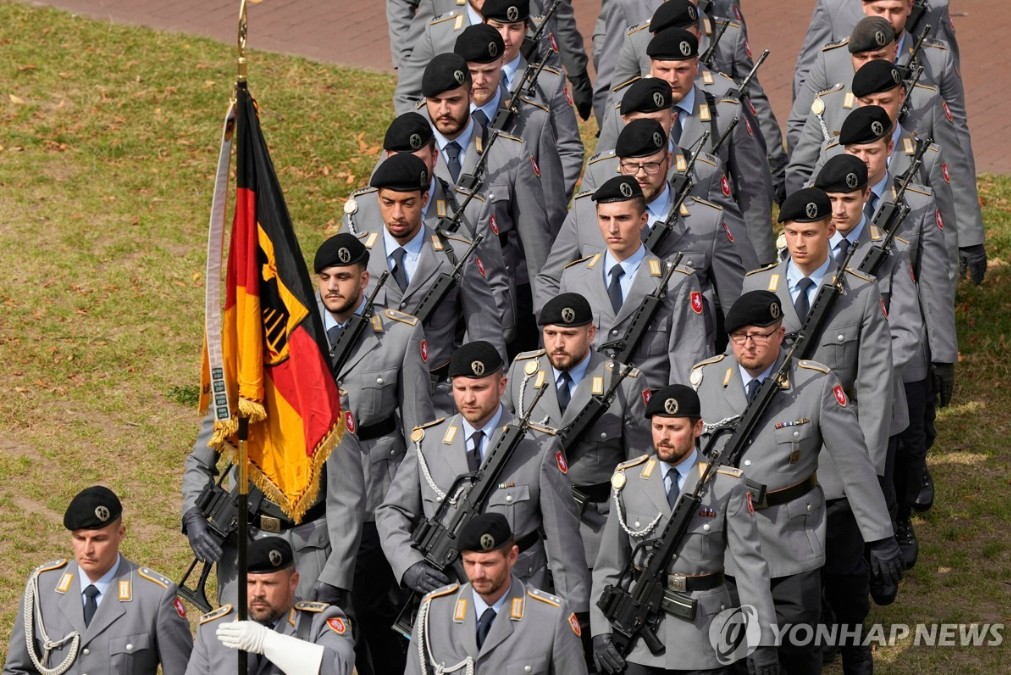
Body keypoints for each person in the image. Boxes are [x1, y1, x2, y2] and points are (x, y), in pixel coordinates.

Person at [691, 291, 902, 674]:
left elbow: (853, 463)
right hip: (727, 545)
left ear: (780, 333)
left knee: (798, 649)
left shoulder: (813, 385)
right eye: (740, 336)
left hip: (790, 538)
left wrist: (880, 536)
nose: (749, 344)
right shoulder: (704, 381)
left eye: (759, 334)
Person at [375, 341, 591, 618]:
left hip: (519, 593)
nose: (468, 399)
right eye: (460, 388)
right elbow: (392, 511)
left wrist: (575, 612)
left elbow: (563, 539)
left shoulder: (538, 446)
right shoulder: (428, 442)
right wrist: (408, 564)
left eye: (479, 388)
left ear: (502, 386)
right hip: (449, 595)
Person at [591, 385, 778, 675]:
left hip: (703, 633)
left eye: (675, 428)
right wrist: (600, 630)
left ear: (698, 428)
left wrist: (763, 638)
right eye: (658, 426)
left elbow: (750, 567)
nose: (664, 437)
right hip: (638, 634)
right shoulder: (628, 480)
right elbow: (608, 566)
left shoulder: (725, 485)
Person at [313, 232, 436, 675]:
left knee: (370, 614)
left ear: (364, 280)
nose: (332, 287)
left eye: (343, 277)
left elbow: (418, 429)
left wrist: (405, 506)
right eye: (324, 277)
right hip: (309, 500)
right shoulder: (297, 331)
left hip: (373, 496)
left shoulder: (400, 334)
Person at [341, 150, 506, 412]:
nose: (397, 214)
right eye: (388, 202)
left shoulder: (456, 256)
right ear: (377, 200)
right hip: (374, 404)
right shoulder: (357, 256)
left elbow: (484, 331)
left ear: (424, 199)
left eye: (407, 203)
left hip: (437, 397)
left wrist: (496, 401)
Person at [503, 292, 652, 566]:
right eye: (550, 333)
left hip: (593, 527)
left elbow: (638, 468)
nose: (558, 344)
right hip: (534, 527)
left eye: (569, 334)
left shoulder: (623, 383)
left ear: (591, 333)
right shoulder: (522, 372)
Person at [418, 52, 552, 355]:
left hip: (491, 305)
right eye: (435, 102)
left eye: (453, 100)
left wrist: (545, 320)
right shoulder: (408, 151)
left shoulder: (509, 153)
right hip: (430, 310)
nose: (444, 111)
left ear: (470, 95)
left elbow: (535, 244)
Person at [607, 0, 787, 201]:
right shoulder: (636, 41)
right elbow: (615, 100)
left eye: (681, 69)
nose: (672, 78)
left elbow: (752, 181)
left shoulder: (726, 100)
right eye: (664, 69)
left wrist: (776, 162)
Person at [181, 413, 366, 606]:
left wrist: (335, 576)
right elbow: (199, 462)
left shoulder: (323, 397)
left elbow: (348, 496)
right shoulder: (236, 392)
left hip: (304, 554)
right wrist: (192, 512)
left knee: (300, 634)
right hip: (242, 548)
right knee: (237, 633)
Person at [4, 486, 193, 675]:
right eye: (79, 538)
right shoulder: (43, 586)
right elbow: (18, 669)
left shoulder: (155, 597)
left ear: (120, 534)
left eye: (98, 539)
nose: (87, 549)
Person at [554, 175, 710, 388]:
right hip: (590, 406)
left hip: (650, 408)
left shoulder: (676, 281)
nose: (612, 229)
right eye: (604, 218)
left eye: (623, 218)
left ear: (643, 220)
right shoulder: (575, 277)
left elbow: (687, 359)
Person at [405, 513, 588, 674]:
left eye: (488, 563)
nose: (478, 574)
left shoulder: (551, 618)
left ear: (512, 556)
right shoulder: (435, 611)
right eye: (469, 563)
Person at [453, 23, 571, 228]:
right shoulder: (437, 118)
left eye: (489, 71)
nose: (480, 80)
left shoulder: (533, 121)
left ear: (502, 63)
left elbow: (552, 204)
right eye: (473, 72)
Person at [184, 537, 355, 675]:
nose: (258, 592)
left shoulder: (321, 622)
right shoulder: (215, 629)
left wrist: (266, 641)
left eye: (268, 583)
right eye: (251, 582)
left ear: (293, 581)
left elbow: (337, 669)